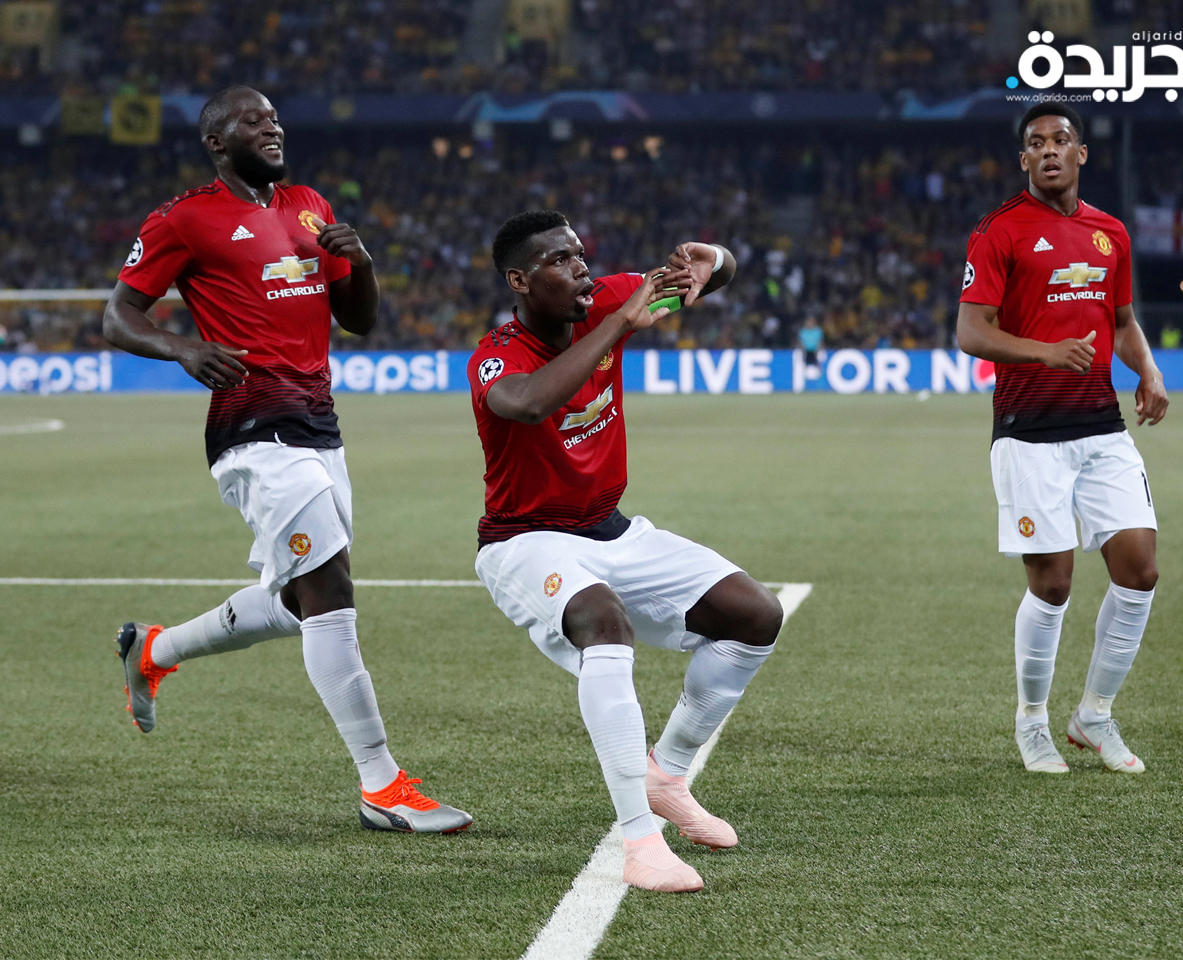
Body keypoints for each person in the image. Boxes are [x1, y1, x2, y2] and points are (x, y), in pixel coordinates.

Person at [102, 85, 471, 833]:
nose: (271, 128)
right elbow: (118, 315)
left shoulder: (309, 206)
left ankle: (155, 650)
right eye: (252, 120)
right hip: (251, 426)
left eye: (274, 119)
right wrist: (182, 347)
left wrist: (361, 263)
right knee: (331, 589)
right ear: (216, 141)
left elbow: (359, 320)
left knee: (301, 600)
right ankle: (382, 785)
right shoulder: (185, 218)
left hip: (318, 424)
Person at [468, 210, 783, 892]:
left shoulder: (610, 298)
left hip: (610, 528)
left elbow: (712, 274)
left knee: (755, 615)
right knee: (604, 624)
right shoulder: (498, 354)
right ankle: (640, 841)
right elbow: (526, 403)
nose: (580, 267)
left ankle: (666, 774)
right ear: (520, 281)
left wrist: (713, 257)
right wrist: (618, 324)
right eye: (559, 260)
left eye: (579, 254)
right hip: (525, 539)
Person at [956, 102, 1169, 775]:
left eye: (1061, 139)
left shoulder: (1111, 234)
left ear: (1082, 153)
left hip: (1102, 428)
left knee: (1140, 571)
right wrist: (1045, 352)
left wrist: (1149, 370)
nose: (1049, 149)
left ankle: (1094, 716)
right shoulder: (999, 230)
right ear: (1024, 159)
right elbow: (970, 331)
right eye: (1037, 142)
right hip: (1029, 433)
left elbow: (1123, 321)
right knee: (1052, 585)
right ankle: (1032, 722)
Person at [798, 314, 824, 378]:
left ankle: (820, 375)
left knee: (819, 359)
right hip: (806, 351)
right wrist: (803, 351)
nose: (810, 323)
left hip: (816, 351)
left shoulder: (818, 331)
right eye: (808, 322)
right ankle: (803, 376)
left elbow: (820, 342)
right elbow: (801, 342)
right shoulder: (803, 331)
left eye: (811, 322)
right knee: (802, 360)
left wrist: (818, 350)